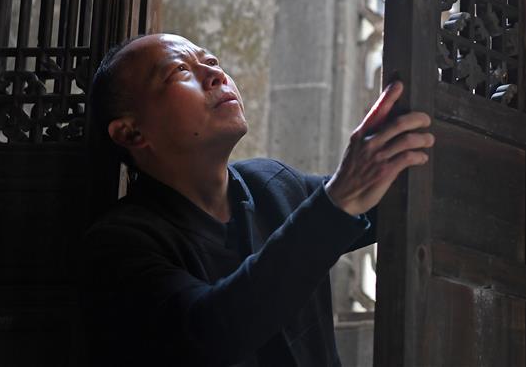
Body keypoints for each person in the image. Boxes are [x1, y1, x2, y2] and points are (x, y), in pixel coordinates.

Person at [77, 33, 435, 367]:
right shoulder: (118, 244)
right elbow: (210, 333)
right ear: (131, 132)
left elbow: (405, 202)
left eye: (211, 62)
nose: (215, 75)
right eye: (180, 71)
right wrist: (337, 201)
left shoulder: (273, 185)